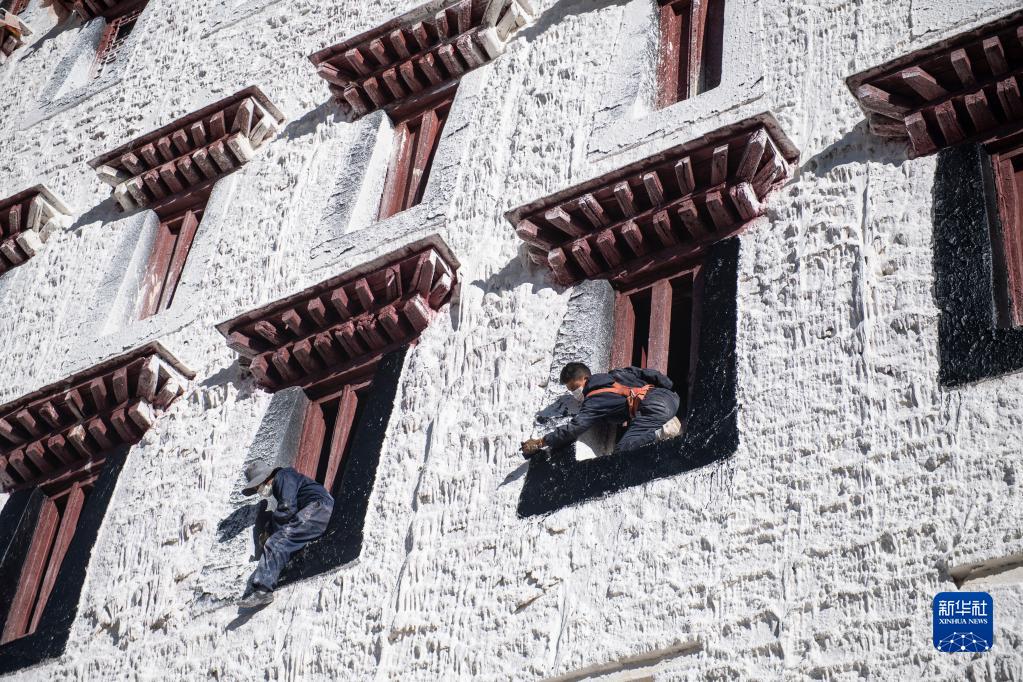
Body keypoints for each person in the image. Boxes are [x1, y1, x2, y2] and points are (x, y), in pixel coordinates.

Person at [521, 362, 681, 457]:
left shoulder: (593, 400)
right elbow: (648, 373)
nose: (574, 393)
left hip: (654, 409)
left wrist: (542, 441)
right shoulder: (617, 373)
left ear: (585, 378)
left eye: (575, 387)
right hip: (670, 396)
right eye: (570, 391)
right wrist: (670, 386)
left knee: (622, 450)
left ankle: (663, 430)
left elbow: (575, 427)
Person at [238, 462, 334, 608]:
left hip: (318, 508)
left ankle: (263, 590)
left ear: (266, 478)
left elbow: (287, 508)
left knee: (276, 542)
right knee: (281, 539)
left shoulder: (284, 476)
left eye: (258, 486)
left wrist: (271, 533)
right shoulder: (283, 483)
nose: (258, 491)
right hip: (318, 511)